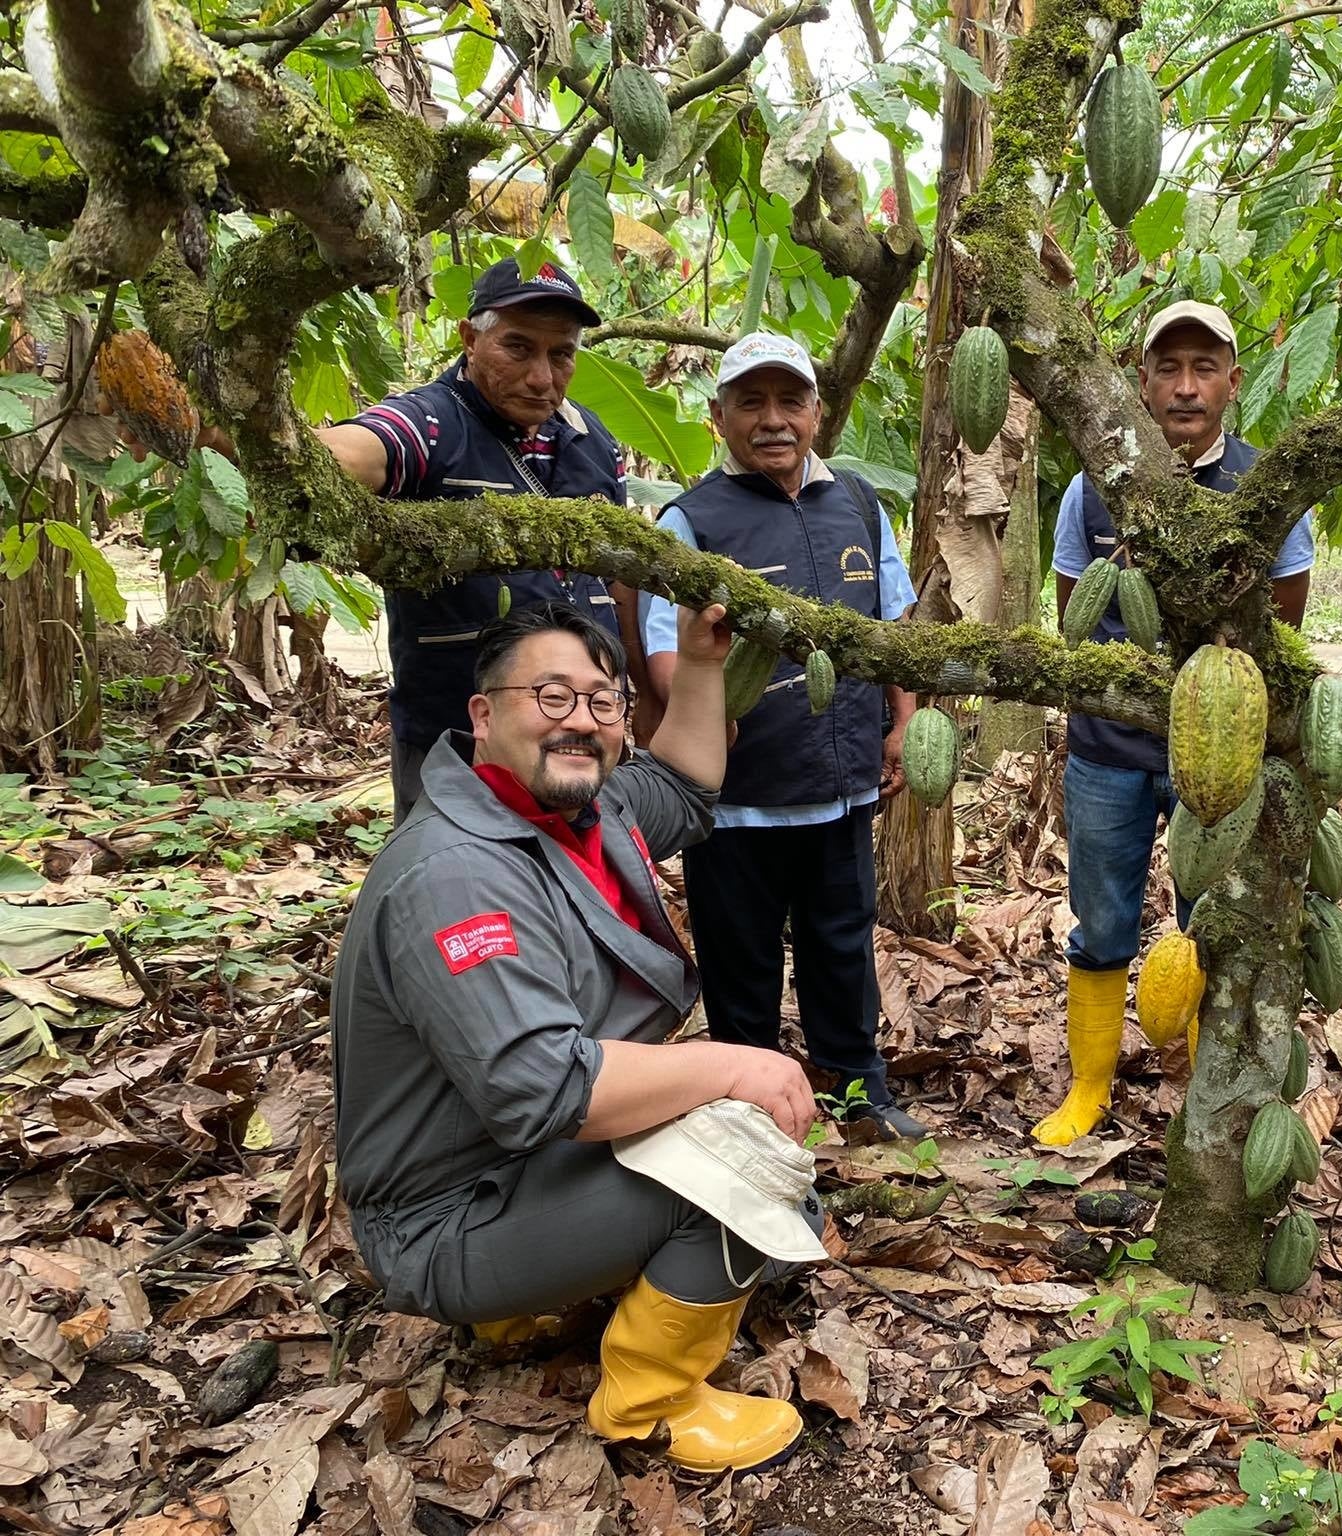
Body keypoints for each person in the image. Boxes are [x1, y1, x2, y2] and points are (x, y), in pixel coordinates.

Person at [332, 600, 828, 1474]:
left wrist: (704, 665)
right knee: (745, 1165)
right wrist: (730, 1063)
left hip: (513, 1165)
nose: (581, 722)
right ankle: (651, 1404)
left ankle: (535, 1297)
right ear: (483, 715)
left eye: (603, 703)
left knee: (780, 1200)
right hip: (446, 1215)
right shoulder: (456, 874)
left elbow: (682, 785)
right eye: (551, 697)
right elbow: (545, 1088)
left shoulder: (576, 813)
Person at [1033, 300, 1317, 1146]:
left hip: (1225, 760)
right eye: (1168, 368)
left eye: (1204, 368)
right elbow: (1076, 625)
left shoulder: (1267, 488)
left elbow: (1281, 633)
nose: (1186, 388)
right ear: (1141, 380)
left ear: (1233, 381)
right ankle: (1089, 1087)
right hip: (1110, 750)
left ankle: (1204, 1085)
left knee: (1214, 922)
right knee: (1104, 918)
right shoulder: (1093, 484)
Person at [638, 332, 925, 1141]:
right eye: (751, 404)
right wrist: (703, 716)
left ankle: (854, 1088)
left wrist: (902, 720)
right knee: (743, 957)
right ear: (717, 417)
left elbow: (894, 623)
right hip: (739, 798)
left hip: (840, 783)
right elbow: (664, 645)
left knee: (842, 944)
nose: (773, 421)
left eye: (789, 401)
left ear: (817, 411)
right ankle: (746, 1105)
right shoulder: (692, 519)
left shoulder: (859, 504)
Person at [317, 256, 631, 820]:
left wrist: (637, 703)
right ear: (469, 338)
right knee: (454, 893)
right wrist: (283, 454)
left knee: (574, 896)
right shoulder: (434, 422)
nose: (542, 377)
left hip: (580, 741)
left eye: (561, 355)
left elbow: (620, 578)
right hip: (457, 743)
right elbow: (359, 452)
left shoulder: (594, 441)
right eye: (518, 348)